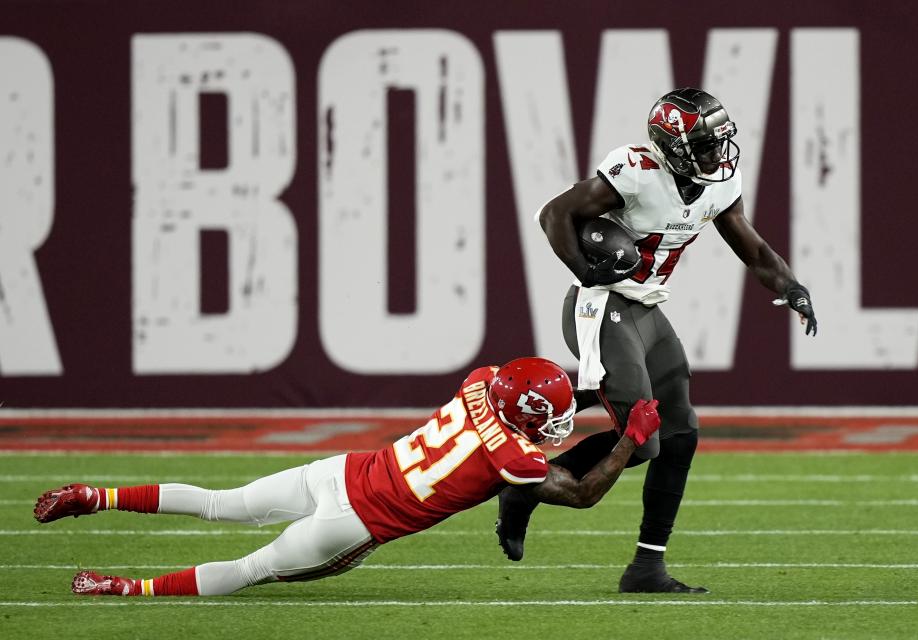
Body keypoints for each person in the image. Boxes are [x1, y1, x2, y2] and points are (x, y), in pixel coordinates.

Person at [495, 88, 818, 594]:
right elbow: (553, 214)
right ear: (674, 146)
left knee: (682, 431)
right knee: (641, 439)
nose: (718, 154)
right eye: (705, 145)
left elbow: (750, 246)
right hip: (604, 307)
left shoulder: (717, 183)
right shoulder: (637, 171)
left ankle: (647, 565)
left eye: (719, 142)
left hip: (645, 309)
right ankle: (527, 488)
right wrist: (588, 273)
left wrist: (791, 285)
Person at [33, 357, 663, 597]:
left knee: (220, 503)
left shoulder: (479, 382)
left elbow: (513, 405)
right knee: (254, 570)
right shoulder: (516, 460)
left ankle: (98, 494)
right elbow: (580, 493)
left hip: (339, 471)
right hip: (354, 523)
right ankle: (122, 588)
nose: (557, 423)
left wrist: (584, 394)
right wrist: (628, 440)